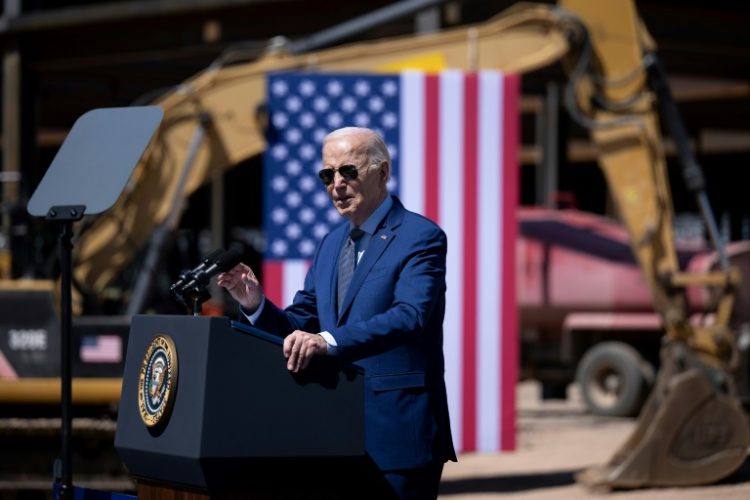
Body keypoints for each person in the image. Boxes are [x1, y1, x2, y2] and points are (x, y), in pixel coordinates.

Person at [218, 126, 456, 499]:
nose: (337, 184)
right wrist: (254, 303)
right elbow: (300, 325)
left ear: (382, 173)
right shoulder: (331, 244)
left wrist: (328, 341)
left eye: (348, 171)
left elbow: (411, 314)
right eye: (327, 175)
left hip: (397, 436)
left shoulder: (419, 236)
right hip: (333, 434)